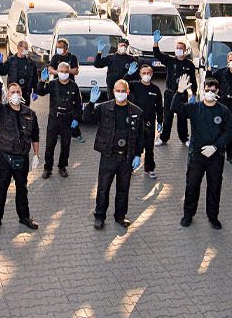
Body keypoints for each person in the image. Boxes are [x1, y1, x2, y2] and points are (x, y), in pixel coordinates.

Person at [172, 75, 232, 229]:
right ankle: (188, 215)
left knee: (214, 187)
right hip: (196, 156)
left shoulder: (223, 111)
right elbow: (175, 108)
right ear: (203, 90)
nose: (210, 93)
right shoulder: (195, 108)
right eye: (207, 90)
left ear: (217, 91)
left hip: (215, 156)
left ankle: (213, 216)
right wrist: (179, 92)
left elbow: (230, 131)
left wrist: (215, 146)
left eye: (213, 90)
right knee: (192, 186)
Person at [83, 80, 145, 229]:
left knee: (123, 189)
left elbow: (141, 136)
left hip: (126, 157)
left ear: (128, 93)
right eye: (118, 91)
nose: (120, 94)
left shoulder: (136, 112)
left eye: (123, 91)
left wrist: (138, 155)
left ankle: (120, 216)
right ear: (113, 91)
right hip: (108, 156)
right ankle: (99, 217)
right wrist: (91, 103)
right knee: (103, 188)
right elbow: (87, 119)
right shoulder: (104, 108)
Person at [0, 77, 41, 233]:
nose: (15, 94)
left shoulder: (30, 113)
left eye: (18, 92)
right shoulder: (1, 110)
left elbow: (35, 135)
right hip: (5, 158)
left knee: (22, 189)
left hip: (22, 157)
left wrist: (36, 155)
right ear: (8, 95)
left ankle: (24, 218)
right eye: (12, 92)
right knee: (1, 189)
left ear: (21, 94)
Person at [36, 62, 82, 179]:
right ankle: (48, 168)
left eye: (66, 72)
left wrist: (76, 118)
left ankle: (62, 166)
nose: (63, 74)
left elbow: (78, 104)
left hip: (67, 119)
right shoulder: (52, 84)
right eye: (61, 72)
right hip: (54, 119)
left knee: (65, 145)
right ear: (57, 72)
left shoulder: (73, 86)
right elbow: (40, 92)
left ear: (69, 72)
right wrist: (42, 81)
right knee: (50, 145)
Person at [154, 32, 198, 147]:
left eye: (181, 48)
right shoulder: (170, 60)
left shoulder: (189, 64)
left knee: (182, 118)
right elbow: (157, 54)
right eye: (177, 48)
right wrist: (156, 42)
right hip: (169, 94)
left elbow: (193, 80)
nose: (178, 50)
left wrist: (193, 94)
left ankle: (185, 139)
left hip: (182, 95)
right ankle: (163, 138)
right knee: (167, 117)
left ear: (185, 50)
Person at [128, 64, 163, 179]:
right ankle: (130, 168)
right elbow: (123, 83)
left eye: (148, 73)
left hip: (149, 122)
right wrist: (128, 74)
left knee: (149, 146)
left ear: (152, 74)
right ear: (140, 75)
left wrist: (160, 122)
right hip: (136, 121)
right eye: (144, 73)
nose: (146, 75)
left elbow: (159, 107)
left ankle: (149, 169)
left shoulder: (155, 89)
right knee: (134, 144)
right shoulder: (135, 86)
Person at [48, 38, 84, 142]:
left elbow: (76, 70)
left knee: (71, 110)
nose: (58, 49)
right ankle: (58, 132)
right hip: (57, 86)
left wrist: (66, 71)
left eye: (60, 47)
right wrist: (58, 73)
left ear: (66, 48)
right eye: (57, 47)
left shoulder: (72, 57)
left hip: (69, 85)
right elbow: (51, 69)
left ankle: (76, 133)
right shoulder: (55, 57)